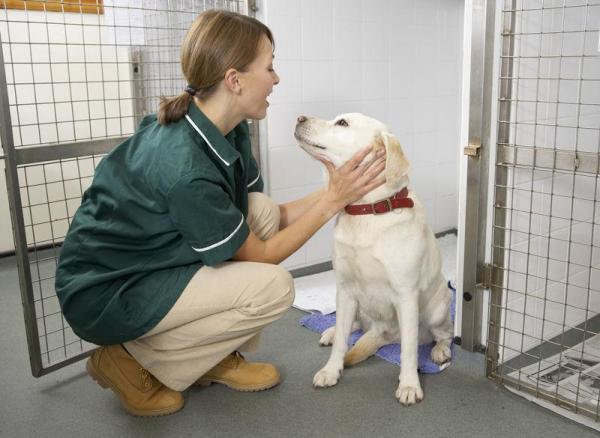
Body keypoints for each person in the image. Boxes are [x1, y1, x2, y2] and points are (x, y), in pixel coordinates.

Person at [55, 9, 386, 417]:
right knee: (274, 287)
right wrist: (334, 201)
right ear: (234, 80)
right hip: (107, 291)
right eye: (270, 67)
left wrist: (337, 190)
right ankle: (127, 360)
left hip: (150, 259)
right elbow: (262, 257)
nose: (276, 78)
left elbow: (271, 218)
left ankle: (210, 355)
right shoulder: (185, 166)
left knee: (259, 210)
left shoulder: (227, 126)